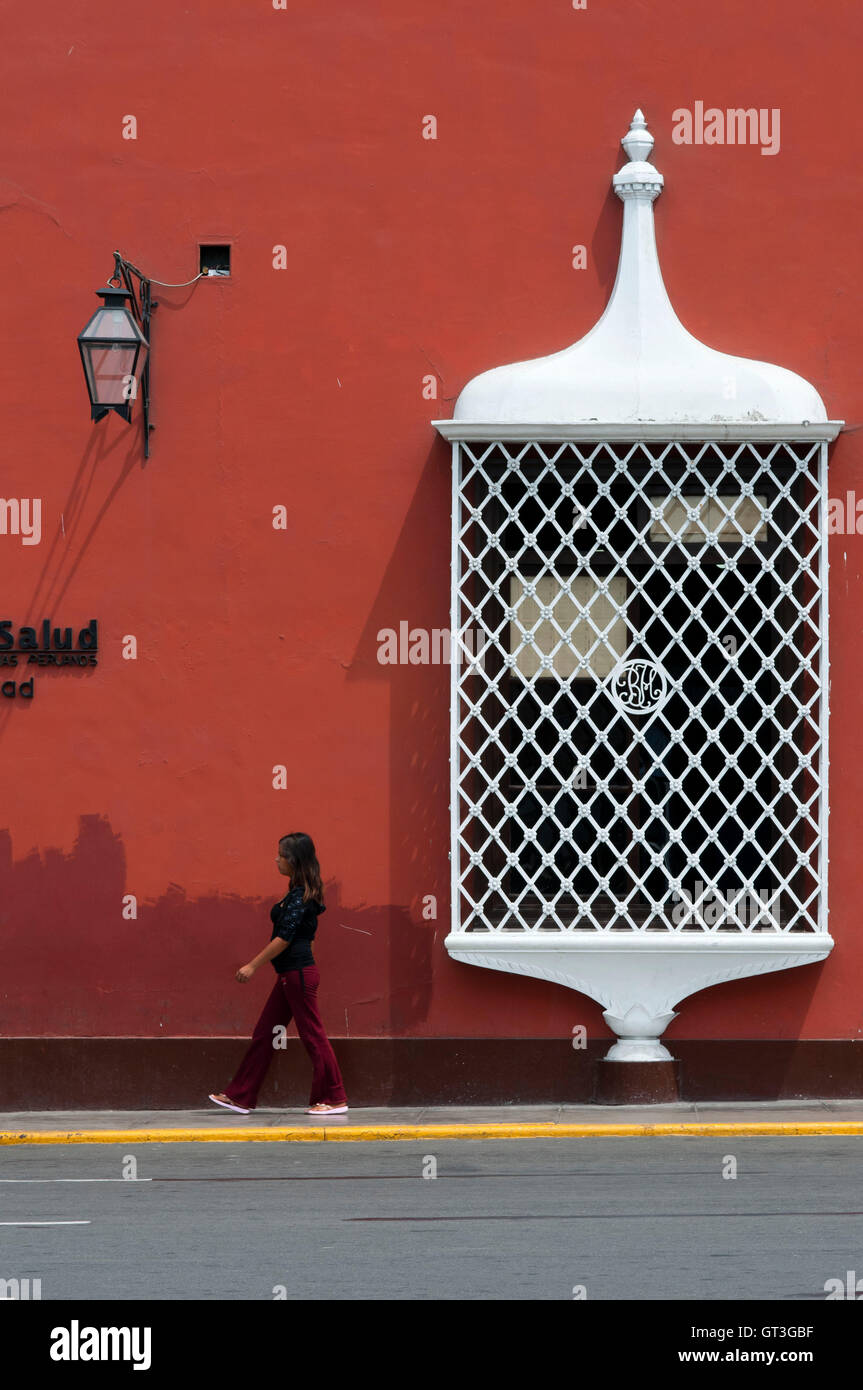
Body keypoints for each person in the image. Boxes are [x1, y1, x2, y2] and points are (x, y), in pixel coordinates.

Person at [209, 832, 348, 1116]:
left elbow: (284, 938)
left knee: (313, 1035)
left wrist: (252, 965)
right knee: (265, 1033)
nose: (276, 860)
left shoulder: (300, 896)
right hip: (291, 975)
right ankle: (241, 1096)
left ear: (293, 860)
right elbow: (308, 936)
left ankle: (335, 1098)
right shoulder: (297, 892)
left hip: (297, 975)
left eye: (280, 855)